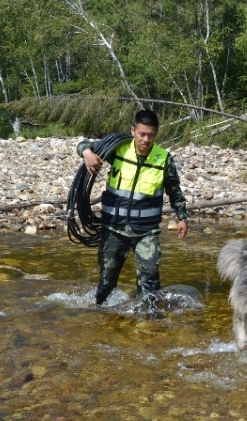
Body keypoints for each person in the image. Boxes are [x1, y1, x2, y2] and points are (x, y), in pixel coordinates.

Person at [77, 109, 189, 305]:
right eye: (142, 134)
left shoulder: (164, 159)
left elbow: (174, 191)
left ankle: (147, 325)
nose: (146, 139)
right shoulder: (117, 150)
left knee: (150, 282)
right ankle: (101, 321)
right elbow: (83, 145)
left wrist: (182, 217)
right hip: (113, 228)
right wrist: (87, 153)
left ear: (156, 134)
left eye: (151, 135)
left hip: (146, 232)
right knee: (106, 283)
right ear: (133, 131)